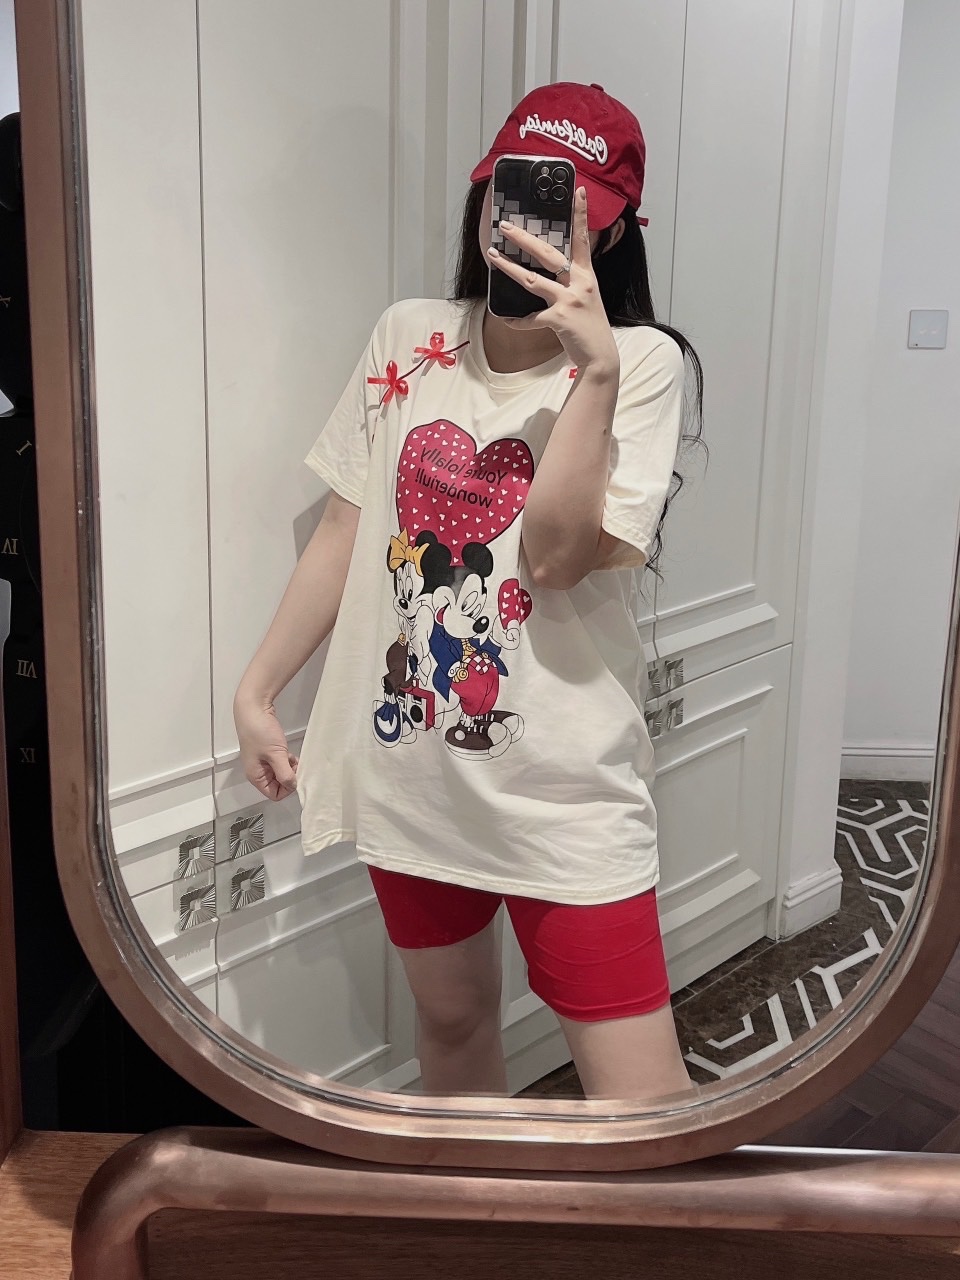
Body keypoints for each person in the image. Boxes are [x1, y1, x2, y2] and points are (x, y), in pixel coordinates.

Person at [234, 82, 705, 1101]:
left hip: (565, 790)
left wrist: (593, 373)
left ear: (610, 233)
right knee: (449, 1027)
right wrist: (258, 689)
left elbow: (557, 559)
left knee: (644, 1105)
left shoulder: (641, 363)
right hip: (413, 771)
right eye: (513, 197)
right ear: (483, 197)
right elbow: (348, 528)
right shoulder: (408, 335)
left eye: (567, 214)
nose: (527, 229)